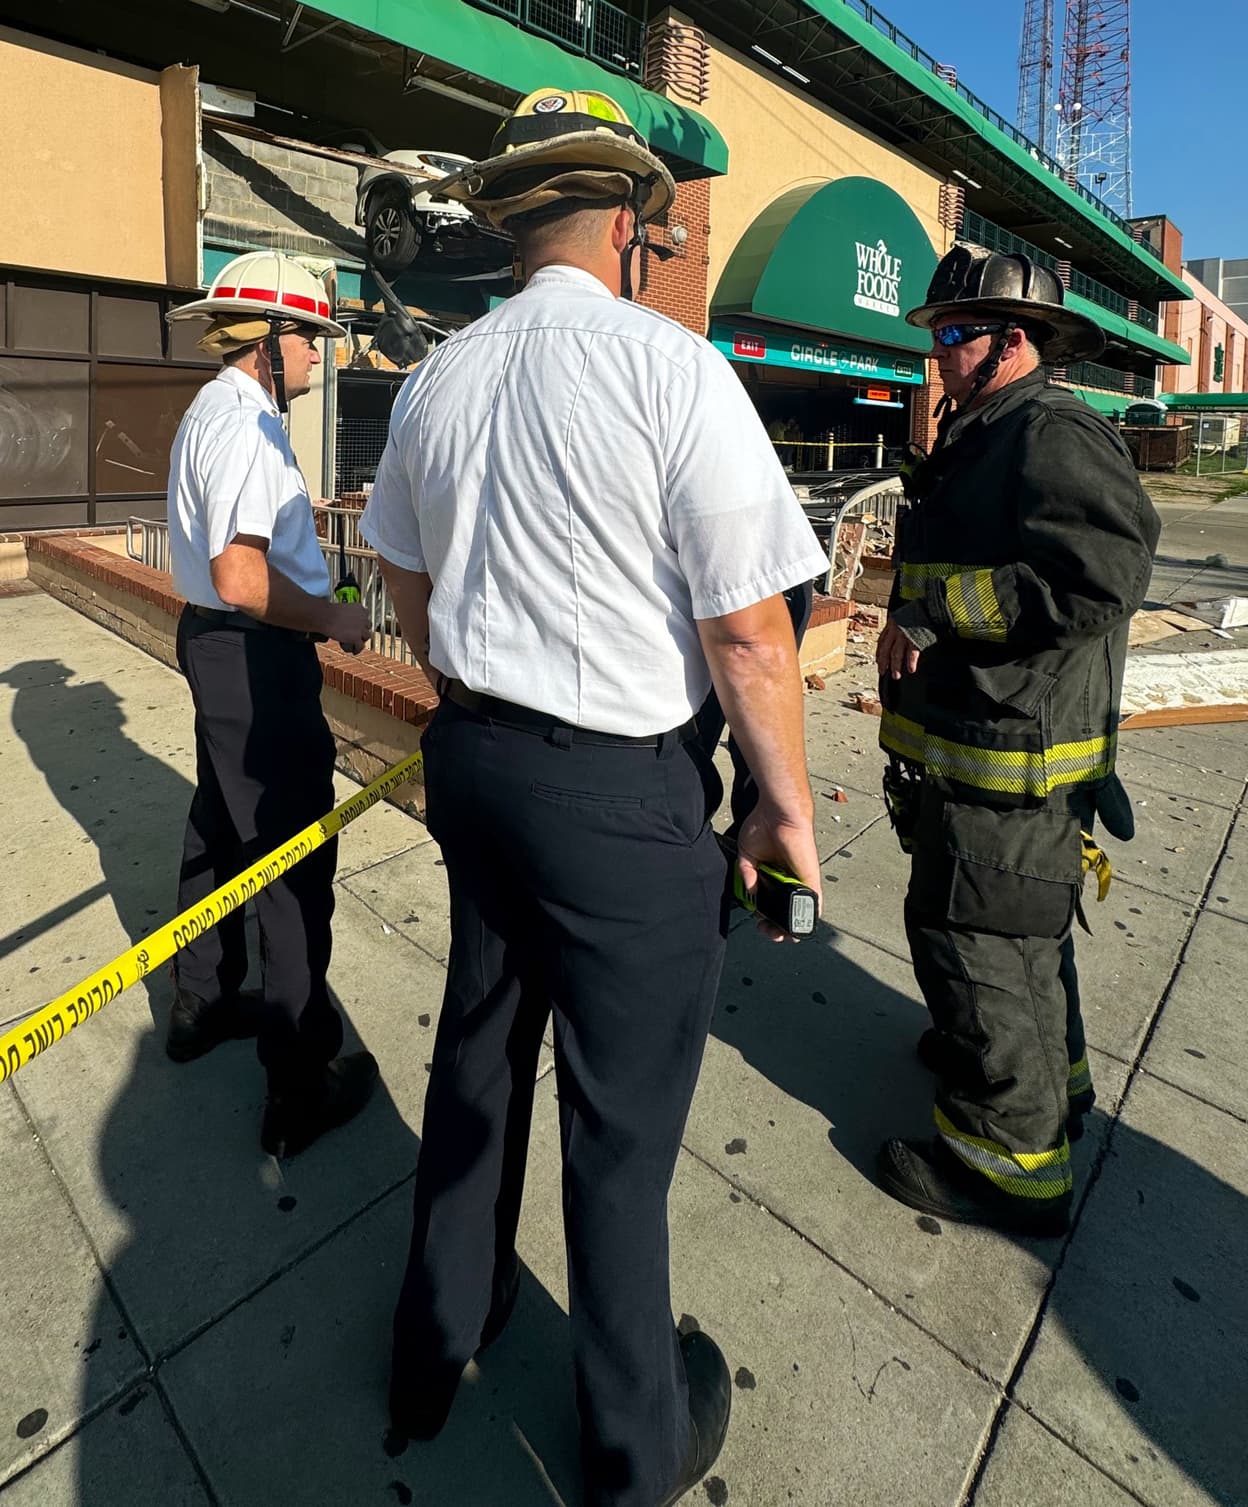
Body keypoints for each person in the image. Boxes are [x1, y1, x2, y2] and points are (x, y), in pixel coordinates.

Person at [359, 87, 827, 1507]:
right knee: (617, 1136)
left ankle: (437, 1341)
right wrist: (783, 809)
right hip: (621, 797)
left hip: (477, 760)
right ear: (628, 224)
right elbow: (751, 634)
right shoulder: (672, 370)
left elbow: (401, 582)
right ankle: (635, 1448)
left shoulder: (440, 376)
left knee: (480, 1053)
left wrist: (477, 670)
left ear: (511, 222)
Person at [874, 246, 1159, 1236]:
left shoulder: (1051, 429)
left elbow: (1096, 576)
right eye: (936, 334)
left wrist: (930, 613)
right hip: (974, 744)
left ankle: (1005, 1162)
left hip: (1011, 754)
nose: (938, 354)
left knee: (978, 941)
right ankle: (1051, 1083)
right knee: (1017, 936)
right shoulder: (984, 428)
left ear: (1015, 340)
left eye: (957, 335)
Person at [165, 251, 379, 1158]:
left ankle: (201, 1005)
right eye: (314, 340)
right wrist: (331, 613)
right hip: (256, 659)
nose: (320, 357)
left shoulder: (210, 409)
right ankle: (297, 1088)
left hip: (215, 650)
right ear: (271, 339)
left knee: (218, 827)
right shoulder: (249, 428)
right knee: (294, 873)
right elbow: (242, 577)